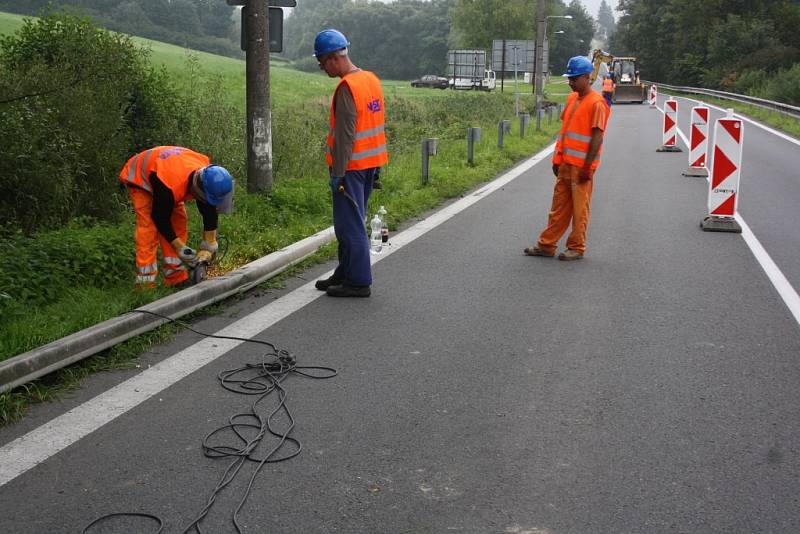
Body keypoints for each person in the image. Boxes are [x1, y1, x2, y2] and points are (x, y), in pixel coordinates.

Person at [312, 29, 388, 298]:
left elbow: (345, 136)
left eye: (322, 62)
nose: (322, 68)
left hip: (351, 168)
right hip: (370, 164)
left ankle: (358, 281)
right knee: (352, 221)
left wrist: (339, 174)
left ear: (334, 58)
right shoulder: (370, 79)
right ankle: (344, 272)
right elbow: (376, 124)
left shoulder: (347, 88)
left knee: (349, 226)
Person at [524, 56, 609, 261]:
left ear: (587, 77)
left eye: (574, 79)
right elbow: (565, 132)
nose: (570, 82)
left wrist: (587, 167)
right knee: (558, 208)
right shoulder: (572, 99)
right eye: (569, 78)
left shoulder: (597, 103)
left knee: (580, 210)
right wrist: (557, 158)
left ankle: (577, 247)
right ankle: (547, 245)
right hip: (565, 164)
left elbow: (597, 137)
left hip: (582, 167)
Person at [119, 146, 234, 288]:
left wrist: (209, 243)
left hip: (169, 173)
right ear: (198, 189)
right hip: (140, 177)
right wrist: (179, 246)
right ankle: (145, 284)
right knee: (149, 228)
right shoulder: (169, 187)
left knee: (178, 221)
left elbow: (208, 209)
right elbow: (160, 217)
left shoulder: (207, 177)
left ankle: (176, 278)